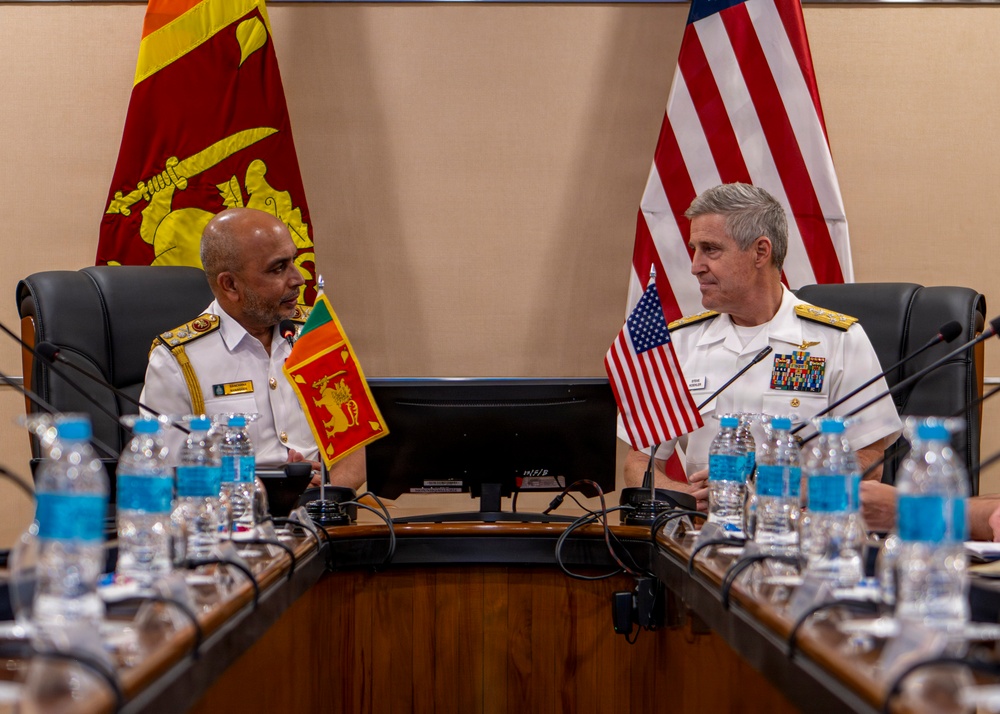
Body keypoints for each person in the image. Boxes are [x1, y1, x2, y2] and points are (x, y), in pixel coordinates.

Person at [622, 183, 902, 510]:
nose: (695, 265)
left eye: (710, 249)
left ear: (760, 251)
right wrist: (686, 499)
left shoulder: (838, 340)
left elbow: (868, 463)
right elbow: (640, 461)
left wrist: (770, 493)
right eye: (694, 249)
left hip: (800, 534)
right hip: (704, 536)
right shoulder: (677, 343)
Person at [141, 207, 366, 489]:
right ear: (230, 285)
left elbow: (354, 448)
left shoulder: (314, 331)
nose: (298, 279)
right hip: (231, 524)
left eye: (293, 261)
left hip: (321, 514)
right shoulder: (178, 361)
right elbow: (166, 475)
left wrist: (327, 498)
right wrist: (275, 489)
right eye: (278, 268)